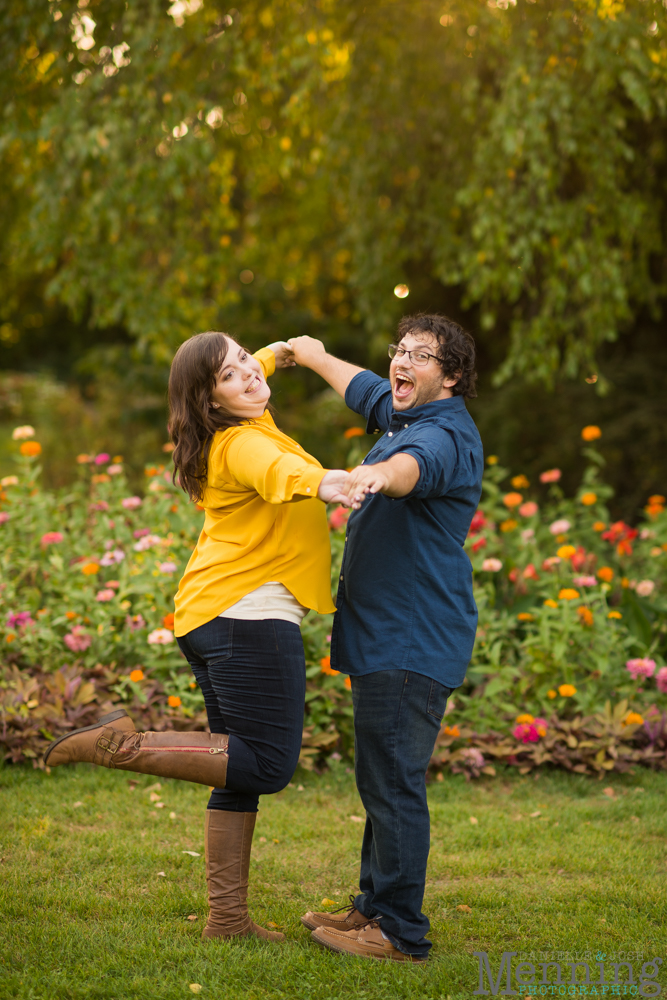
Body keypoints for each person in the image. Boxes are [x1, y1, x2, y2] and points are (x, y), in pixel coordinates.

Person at [44, 332, 351, 943]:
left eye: (244, 364)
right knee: (266, 764)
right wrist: (328, 482)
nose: (248, 377)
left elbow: (248, 368)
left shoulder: (232, 410)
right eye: (232, 377)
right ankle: (120, 747)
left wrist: (275, 354)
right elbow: (279, 469)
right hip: (249, 616)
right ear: (211, 403)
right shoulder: (239, 444)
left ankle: (228, 921)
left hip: (216, 614)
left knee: (234, 768)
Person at [290, 313, 483, 964]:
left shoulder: (442, 436)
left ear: (450, 376)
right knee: (379, 778)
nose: (401, 363)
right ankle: (370, 909)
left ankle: (398, 930)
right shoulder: (407, 412)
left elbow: (409, 468)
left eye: (420, 357)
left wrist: (374, 477)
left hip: (412, 635)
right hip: (388, 634)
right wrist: (313, 354)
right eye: (399, 351)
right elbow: (367, 388)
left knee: (393, 782)